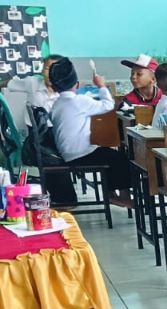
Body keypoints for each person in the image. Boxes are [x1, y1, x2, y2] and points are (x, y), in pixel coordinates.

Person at [47, 58, 132, 208]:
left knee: (107, 154)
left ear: (53, 87)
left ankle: (111, 193)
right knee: (118, 157)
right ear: (77, 84)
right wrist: (101, 85)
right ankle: (122, 196)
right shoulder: (80, 101)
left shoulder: (56, 104)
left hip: (67, 154)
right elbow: (108, 105)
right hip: (82, 154)